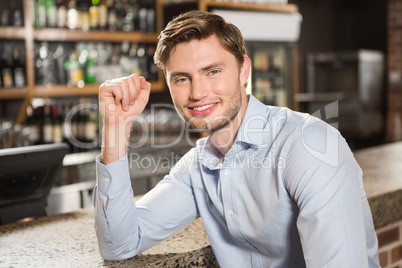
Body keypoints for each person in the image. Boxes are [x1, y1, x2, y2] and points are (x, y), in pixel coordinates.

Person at [94, 10, 380, 267]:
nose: (197, 92)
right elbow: (120, 244)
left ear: (244, 70)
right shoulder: (197, 167)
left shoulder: (308, 145)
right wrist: (116, 128)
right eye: (182, 78)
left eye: (213, 72)